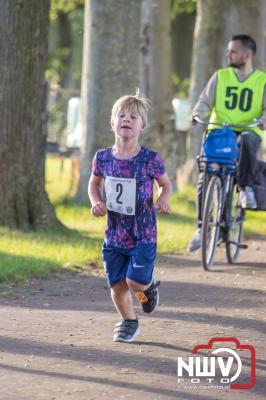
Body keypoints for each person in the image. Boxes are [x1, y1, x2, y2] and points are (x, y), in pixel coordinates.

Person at [88, 91, 172, 342]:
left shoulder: (150, 159)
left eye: (133, 116)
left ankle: (149, 289)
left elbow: (165, 184)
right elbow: (93, 184)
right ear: (112, 122)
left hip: (143, 233)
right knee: (117, 286)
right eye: (121, 115)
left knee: (135, 282)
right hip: (114, 234)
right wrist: (96, 202)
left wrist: (163, 199)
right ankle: (128, 322)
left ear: (142, 126)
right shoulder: (102, 157)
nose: (126, 119)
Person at [188, 34, 266, 253]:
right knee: (206, 175)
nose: (228, 54)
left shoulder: (262, 80)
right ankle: (202, 227)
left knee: (249, 140)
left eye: (233, 51)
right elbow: (205, 101)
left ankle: (246, 190)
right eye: (228, 50)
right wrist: (196, 114)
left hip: (248, 130)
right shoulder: (220, 76)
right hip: (220, 131)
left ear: (247, 55)